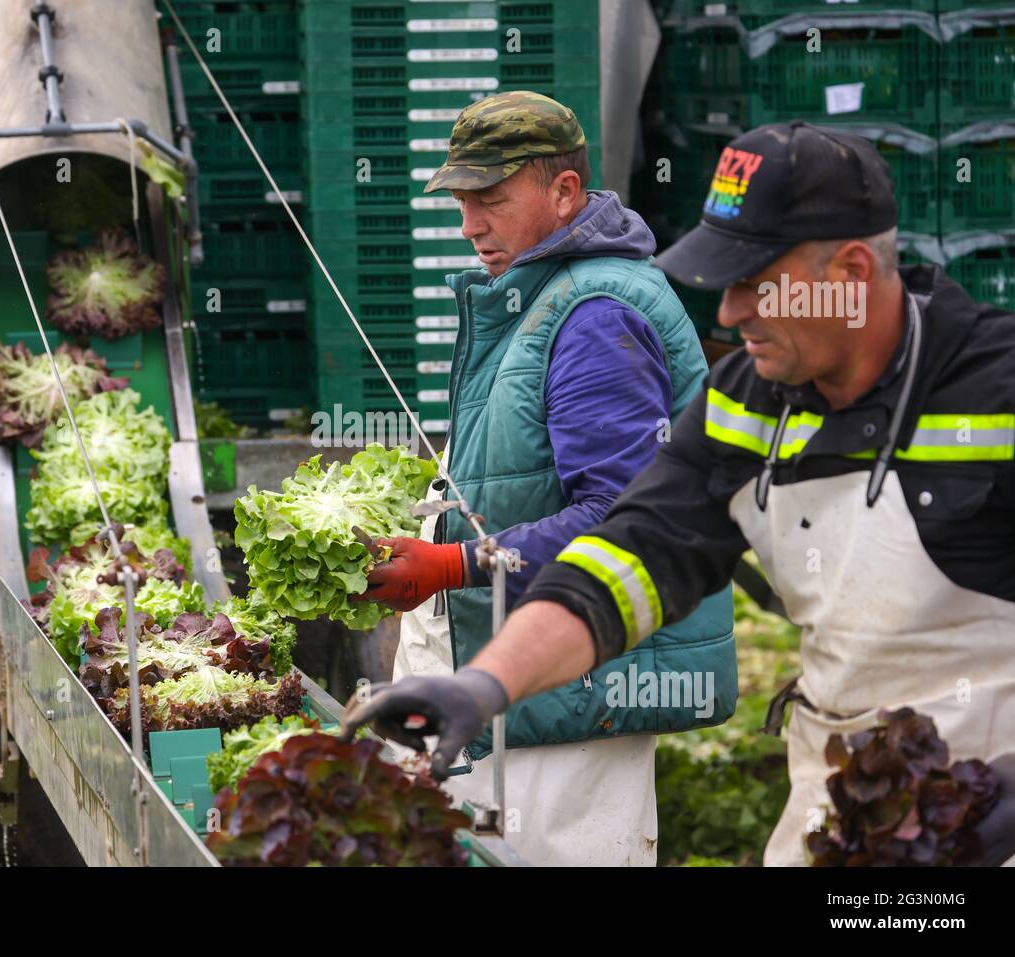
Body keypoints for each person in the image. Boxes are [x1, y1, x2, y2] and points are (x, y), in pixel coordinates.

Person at [343, 120, 1015, 866]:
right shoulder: (748, 403)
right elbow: (628, 559)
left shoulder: (996, 392)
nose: (728, 314)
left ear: (851, 273)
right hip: (842, 792)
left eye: (755, 284)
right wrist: (484, 686)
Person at [356, 91, 736, 866]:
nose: (470, 227)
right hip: (518, 696)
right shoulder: (540, 296)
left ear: (564, 192)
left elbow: (623, 520)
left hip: (564, 703)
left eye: (491, 201)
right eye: (463, 203)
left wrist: (453, 563)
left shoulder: (597, 313)